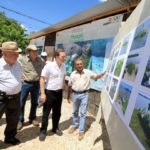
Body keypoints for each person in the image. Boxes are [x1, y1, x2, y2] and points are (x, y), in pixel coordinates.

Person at [67, 59, 106, 141]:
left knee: (83, 113)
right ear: (75, 66)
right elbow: (69, 85)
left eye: (81, 64)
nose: (79, 65)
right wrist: (68, 96)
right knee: (75, 111)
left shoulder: (88, 72)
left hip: (85, 94)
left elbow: (95, 77)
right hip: (75, 94)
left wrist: (101, 75)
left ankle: (81, 131)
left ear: (83, 64)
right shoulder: (72, 74)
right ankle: (74, 125)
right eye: (78, 64)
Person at [39, 48, 66, 141]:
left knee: (57, 112)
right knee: (46, 113)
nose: (64, 58)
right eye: (63, 56)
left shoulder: (64, 66)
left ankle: (55, 128)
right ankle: (43, 130)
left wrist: (62, 87)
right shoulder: (49, 66)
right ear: (57, 56)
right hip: (49, 92)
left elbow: (64, 76)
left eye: (64, 56)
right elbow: (42, 79)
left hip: (59, 93)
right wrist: (42, 93)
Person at [17, 44, 45, 130]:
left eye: (36, 51)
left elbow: (44, 70)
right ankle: (20, 120)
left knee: (34, 102)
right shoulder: (22, 59)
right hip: (25, 84)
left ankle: (32, 118)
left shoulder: (40, 60)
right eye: (33, 51)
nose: (35, 53)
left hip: (36, 84)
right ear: (29, 52)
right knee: (21, 102)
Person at [0, 41, 22, 145]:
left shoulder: (18, 64)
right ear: (4, 54)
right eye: (14, 53)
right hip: (1, 98)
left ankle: (10, 137)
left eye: (17, 53)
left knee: (13, 119)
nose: (17, 55)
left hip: (16, 97)